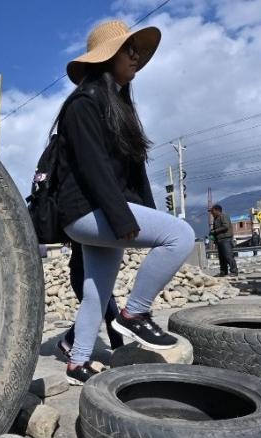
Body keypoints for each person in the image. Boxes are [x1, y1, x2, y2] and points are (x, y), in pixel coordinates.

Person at [53, 19, 195, 385]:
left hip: (101, 209)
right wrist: (121, 216)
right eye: (129, 51)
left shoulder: (117, 103)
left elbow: (132, 173)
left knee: (96, 289)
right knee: (180, 235)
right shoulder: (83, 103)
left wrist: (143, 213)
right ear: (107, 57)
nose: (136, 58)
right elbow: (92, 166)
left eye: (137, 52)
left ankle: (78, 361)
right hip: (85, 211)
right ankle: (135, 314)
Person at [57, 240, 124, 359]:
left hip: (95, 276)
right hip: (83, 276)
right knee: (100, 312)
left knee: (106, 312)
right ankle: (120, 351)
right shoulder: (84, 231)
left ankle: (119, 350)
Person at [209, 204, 238, 277]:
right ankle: (223, 271)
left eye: (212, 211)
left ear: (217, 210)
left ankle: (234, 271)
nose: (211, 213)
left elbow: (225, 226)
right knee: (221, 257)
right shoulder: (216, 219)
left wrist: (215, 231)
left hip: (226, 239)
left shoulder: (223, 216)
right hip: (219, 240)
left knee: (228, 256)